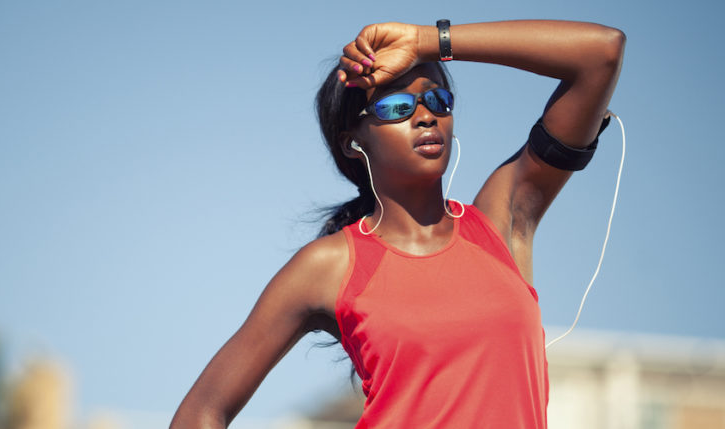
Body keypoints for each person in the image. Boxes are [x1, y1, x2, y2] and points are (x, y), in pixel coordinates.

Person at [171, 19, 625, 428]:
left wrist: (430, 41)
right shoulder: (330, 265)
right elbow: (201, 412)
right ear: (354, 142)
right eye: (395, 108)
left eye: (437, 100)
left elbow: (602, 52)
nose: (425, 116)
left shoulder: (501, 223)